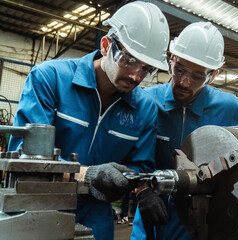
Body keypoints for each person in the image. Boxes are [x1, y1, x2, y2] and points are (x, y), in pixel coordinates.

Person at [7, 2, 170, 240]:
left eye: (147, 68)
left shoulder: (144, 109)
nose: (136, 75)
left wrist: (142, 188)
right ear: (106, 46)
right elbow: (26, 158)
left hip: (96, 220)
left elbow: (141, 166)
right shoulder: (50, 78)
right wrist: (86, 174)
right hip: (37, 208)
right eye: (129, 60)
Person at [131, 21, 238, 240]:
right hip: (150, 217)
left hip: (202, 224)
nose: (184, 82)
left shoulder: (230, 109)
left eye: (198, 76)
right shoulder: (146, 101)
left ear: (213, 75)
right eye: (179, 69)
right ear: (171, 60)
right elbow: (126, 154)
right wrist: (141, 189)